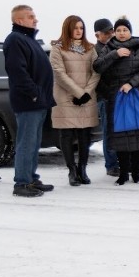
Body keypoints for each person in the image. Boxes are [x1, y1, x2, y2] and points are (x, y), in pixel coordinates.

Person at [93, 17, 139, 185]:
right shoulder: (108, 47)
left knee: (136, 134)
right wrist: (114, 54)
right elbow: (97, 66)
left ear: (130, 32)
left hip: (136, 94)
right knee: (120, 136)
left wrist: (131, 83)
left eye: (125, 30)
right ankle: (123, 174)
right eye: (118, 30)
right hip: (115, 96)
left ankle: (136, 173)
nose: (121, 33)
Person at [3, 5, 56, 197]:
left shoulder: (29, 39)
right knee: (26, 143)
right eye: (31, 16)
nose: (35, 19)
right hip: (29, 101)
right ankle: (22, 183)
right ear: (19, 20)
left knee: (34, 143)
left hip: (39, 101)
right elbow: (18, 71)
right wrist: (33, 93)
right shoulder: (15, 40)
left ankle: (31, 178)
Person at [49, 15, 100, 186]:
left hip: (87, 96)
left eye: (81, 28)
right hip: (66, 96)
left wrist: (86, 93)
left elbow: (97, 71)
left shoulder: (90, 48)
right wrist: (78, 93)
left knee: (85, 134)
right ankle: (71, 170)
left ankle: (82, 169)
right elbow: (59, 72)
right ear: (68, 28)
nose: (79, 31)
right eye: (76, 28)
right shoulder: (57, 48)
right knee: (67, 134)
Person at [93, 18, 119, 176]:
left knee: (121, 131)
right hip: (105, 96)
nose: (110, 34)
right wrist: (107, 92)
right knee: (109, 131)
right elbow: (96, 75)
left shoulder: (116, 46)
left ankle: (123, 161)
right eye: (106, 32)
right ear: (98, 35)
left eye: (111, 31)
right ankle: (111, 164)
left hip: (119, 95)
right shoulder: (96, 51)